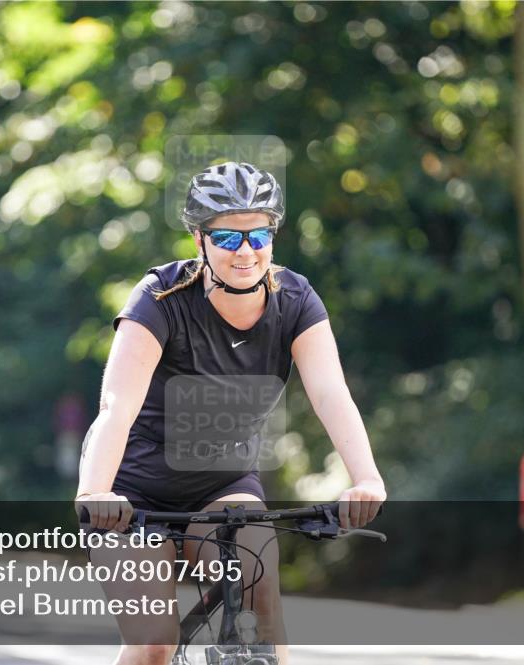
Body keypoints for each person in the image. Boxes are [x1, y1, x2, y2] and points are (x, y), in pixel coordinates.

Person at [76, 161, 386, 665]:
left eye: (259, 235)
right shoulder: (160, 297)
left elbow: (331, 393)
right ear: (199, 239)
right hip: (132, 487)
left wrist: (366, 479)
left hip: (223, 484)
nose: (246, 251)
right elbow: (116, 406)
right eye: (227, 237)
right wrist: (95, 494)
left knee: (262, 602)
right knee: (154, 643)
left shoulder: (295, 299)